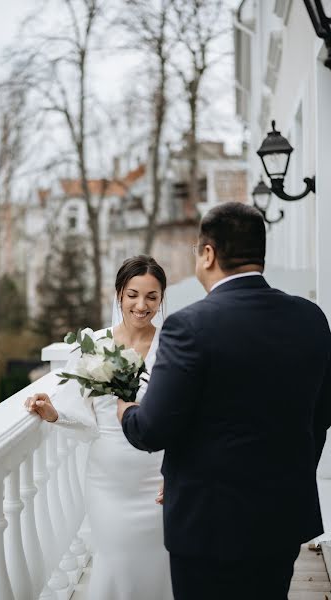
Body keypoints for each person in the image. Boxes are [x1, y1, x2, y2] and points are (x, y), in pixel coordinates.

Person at [117, 202, 331, 600]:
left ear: (208, 254)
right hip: (283, 516)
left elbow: (152, 429)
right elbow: (322, 415)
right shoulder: (311, 318)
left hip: (207, 526)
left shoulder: (190, 326)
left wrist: (126, 409)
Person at [26, 255, 173, 600]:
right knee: (114, 562)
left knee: (158, 565)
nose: (142, 305)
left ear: (161, 299)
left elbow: (186, 416)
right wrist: (51, 412)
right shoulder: (95, 344)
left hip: (159, 474)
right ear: (119, 294)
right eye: (133, 294)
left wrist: (179, 470)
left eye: (152, 296)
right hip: (108, 480)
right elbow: (77, 408)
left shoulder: (173, 345)